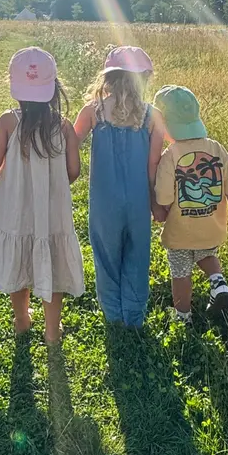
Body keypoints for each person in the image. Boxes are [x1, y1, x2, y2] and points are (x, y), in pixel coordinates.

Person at [0, 48, 84, 344]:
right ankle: (51, 331)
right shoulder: (64, 126)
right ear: (54, 88)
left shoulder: (9, 121)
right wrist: (55, 185)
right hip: (52, 211)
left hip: (15, 208)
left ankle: (22, 319)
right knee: (53, 265)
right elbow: (74, 170)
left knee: (19, 260)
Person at [74, 46, 164, 327]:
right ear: (145, 78)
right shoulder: (152, 116)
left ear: (108, 79)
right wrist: (154, 202)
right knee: (138, 253)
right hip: (138, 200)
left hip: (104, 201)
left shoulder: (93, 111)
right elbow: (153, 167)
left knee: (106, 254)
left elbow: (70, 145)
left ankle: (113, 314)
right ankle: (134, 316)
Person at [153, 85, 228, 324]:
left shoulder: (171, 155)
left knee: (181, 274)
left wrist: (161, 211)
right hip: (211, 227)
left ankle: (182, 317)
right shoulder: (216, 148)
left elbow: (164, 198)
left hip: (180, 231)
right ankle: (218, 283)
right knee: (207, 254)